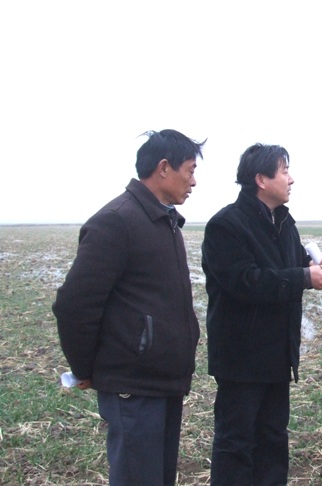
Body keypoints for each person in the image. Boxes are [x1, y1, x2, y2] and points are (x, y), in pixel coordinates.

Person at [52, 129, 206, 486]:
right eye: (189, 170)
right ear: (163, 168)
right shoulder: (117, 221)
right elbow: (74, 304)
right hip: (133, 386)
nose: (194, 181)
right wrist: (84, 367)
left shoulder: (165, 222)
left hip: (164, 382)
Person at [201, 143, 322, 485]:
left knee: (273, 439)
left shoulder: (285, 224)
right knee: (236, 442)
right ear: (261, 180)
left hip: (277, 356)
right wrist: (304, 277)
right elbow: (246, 281)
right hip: (241, 358)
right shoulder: (226, 225)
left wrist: (311, 265)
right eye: (285, 171)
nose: (291, 179)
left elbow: (283, 268)